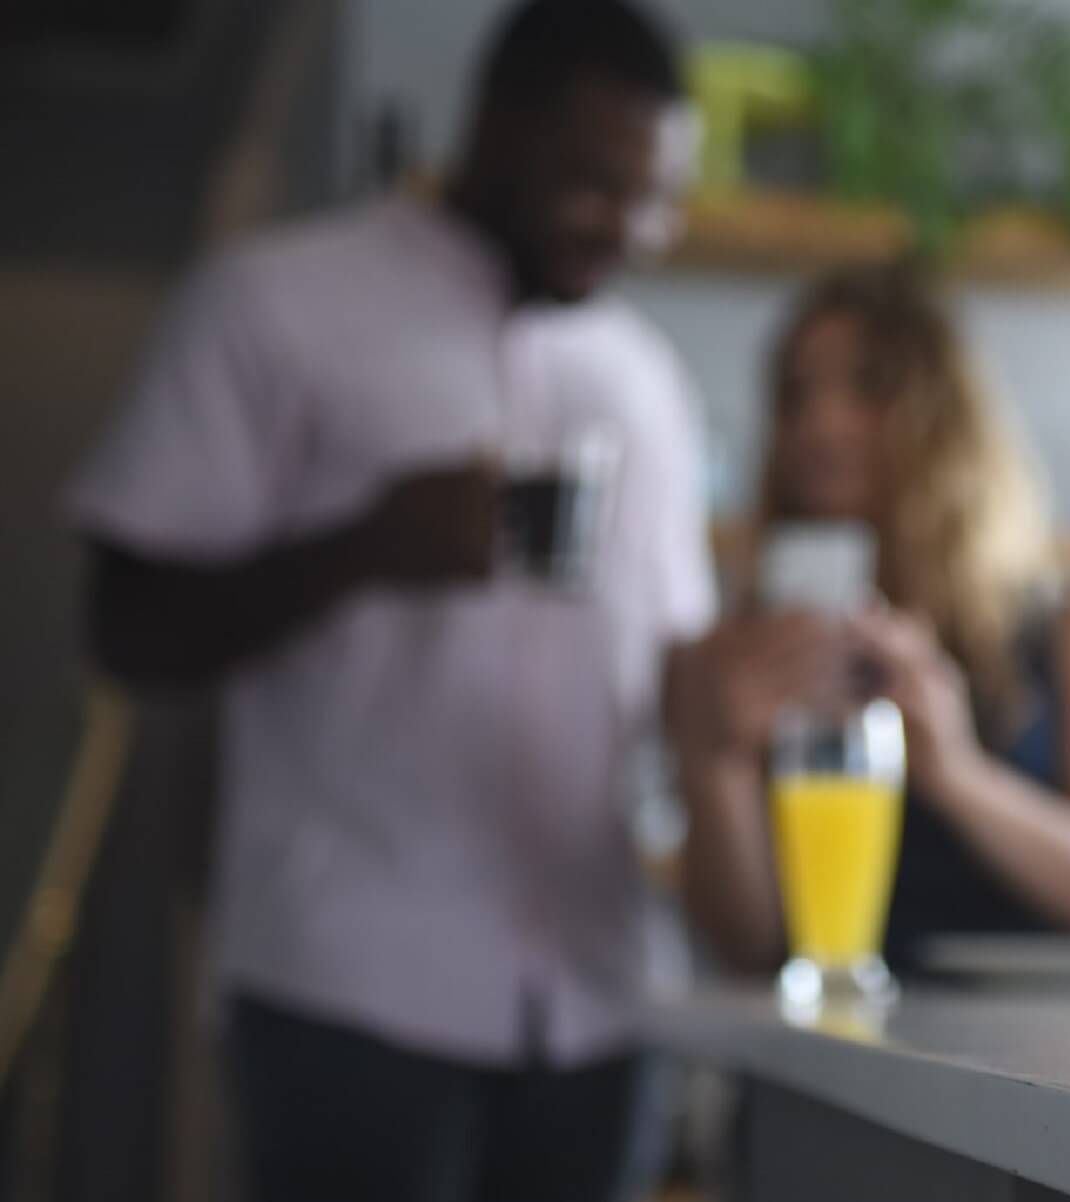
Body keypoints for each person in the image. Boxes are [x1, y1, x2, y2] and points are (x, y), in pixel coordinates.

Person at [68, 3, 710, 1199]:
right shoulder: (277, 305)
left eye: (655, 197)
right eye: (591, 186)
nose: (628, 229)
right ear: (497, 130)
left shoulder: (643, 380)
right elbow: (125, 623)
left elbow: (670, 668)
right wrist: (358, 548)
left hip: (599, 997)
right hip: (351, 987)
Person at [672, 265, 1070, 975]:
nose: (821, 424)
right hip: (834, 1057)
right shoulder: (746, 660)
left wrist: (954, 772)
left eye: (869, 386)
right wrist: (718, 760)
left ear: (942, 418)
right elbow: (748, 946)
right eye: (797, 395)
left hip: (1037, 1062)